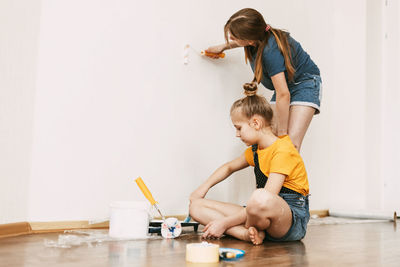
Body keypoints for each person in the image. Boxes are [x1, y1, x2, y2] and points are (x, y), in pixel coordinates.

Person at [189, 83, 310, 245]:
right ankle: (246, 234)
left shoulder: (283, 150)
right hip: (257, 213)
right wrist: (203, 187)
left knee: (259, 196)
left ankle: (241, 227)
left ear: (255, 123)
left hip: (289, 221)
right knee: (196, 207)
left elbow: (268, 196)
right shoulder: (256, 150)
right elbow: (229, 167)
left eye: (239, 128)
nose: (237, 134)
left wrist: (224, 223)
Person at [205, 8, 322, 151]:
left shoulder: (270, 52)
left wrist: (282, 134)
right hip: (286, 85)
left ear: (249, 39)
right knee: (268, 138)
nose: (231, 39)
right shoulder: (258, 38)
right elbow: (243, 41)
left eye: (234, 37)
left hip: (305, 83)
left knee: (289, 145)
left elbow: (283, 94)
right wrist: (222, 47)